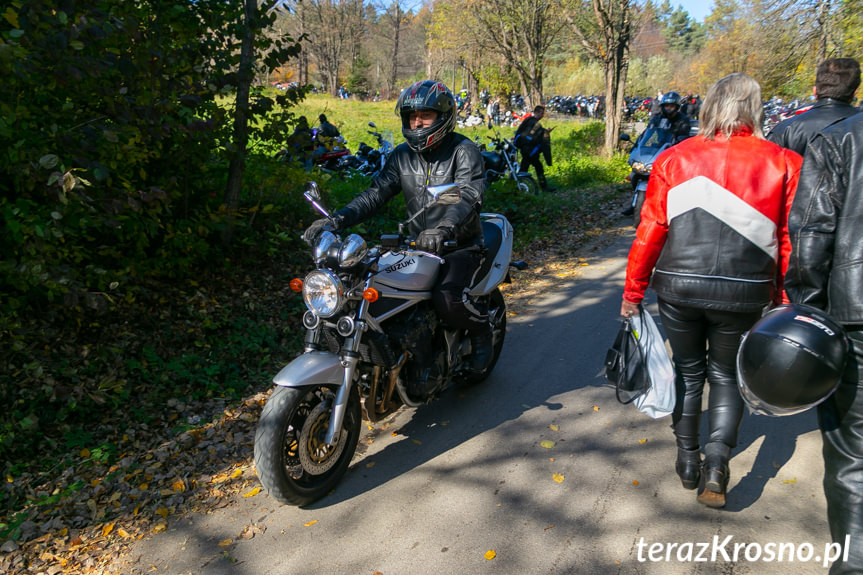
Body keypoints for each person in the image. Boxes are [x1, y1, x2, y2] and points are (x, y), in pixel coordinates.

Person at [620, 73, 802, 508]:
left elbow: (651, 231)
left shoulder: (674, 158)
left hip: (678, 288)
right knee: (726, 376)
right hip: (745, 293)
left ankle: (687, 458)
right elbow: (787, 240)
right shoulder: (784, 162)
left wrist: (633, 291)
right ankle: (718, 465)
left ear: (708, 107)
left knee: (688, 371)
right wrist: (784, 299)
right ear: (754, 108)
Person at [302, 80, 492, 399]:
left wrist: (443, 229)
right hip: (417, 246)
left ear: (443, 117)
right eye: (411, 116)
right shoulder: (402, 156)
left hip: (459, 245)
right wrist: (336, 220)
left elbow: (466, 196)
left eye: (425, 116)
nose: (416, 123)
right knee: (366, 290)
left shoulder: (463, 150)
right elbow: (376, 194)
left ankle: (482, 331)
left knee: (447, 298)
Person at [784, 110, 863, 574]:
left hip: (855, 316)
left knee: (854, 458)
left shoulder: (839, 140)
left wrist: (809, 319)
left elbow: (810, 238)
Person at [768, 58, 860, 156]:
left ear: (815, 91)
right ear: (854, 93)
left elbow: (768, 166)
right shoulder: (858, 126)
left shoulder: (785, 130)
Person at [621, 91, 692, 217]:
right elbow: (648, 133)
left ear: (676, 107)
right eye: (666, 106)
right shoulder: (657, 118)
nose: (668, 108)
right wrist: (638, 145)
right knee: (634, 173)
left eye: (671, 106)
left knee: (675, 179)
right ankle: (634, 204)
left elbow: (684, 137)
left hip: (672, 152)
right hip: (656, 150)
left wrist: (681, 140)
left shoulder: (683, 120)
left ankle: (673, 207)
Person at [514, 105, 554, 191]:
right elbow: (536, 134)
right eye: (541, 113)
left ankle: (516, 187)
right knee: (537, 168)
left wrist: (545, 131)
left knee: (525, 168)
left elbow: (533, 133)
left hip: (525, 149)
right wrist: (545, 132)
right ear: (536, 112)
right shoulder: (534, 122)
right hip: (530, 151)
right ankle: (543, 187)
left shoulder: (528, 120)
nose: (542, 115)